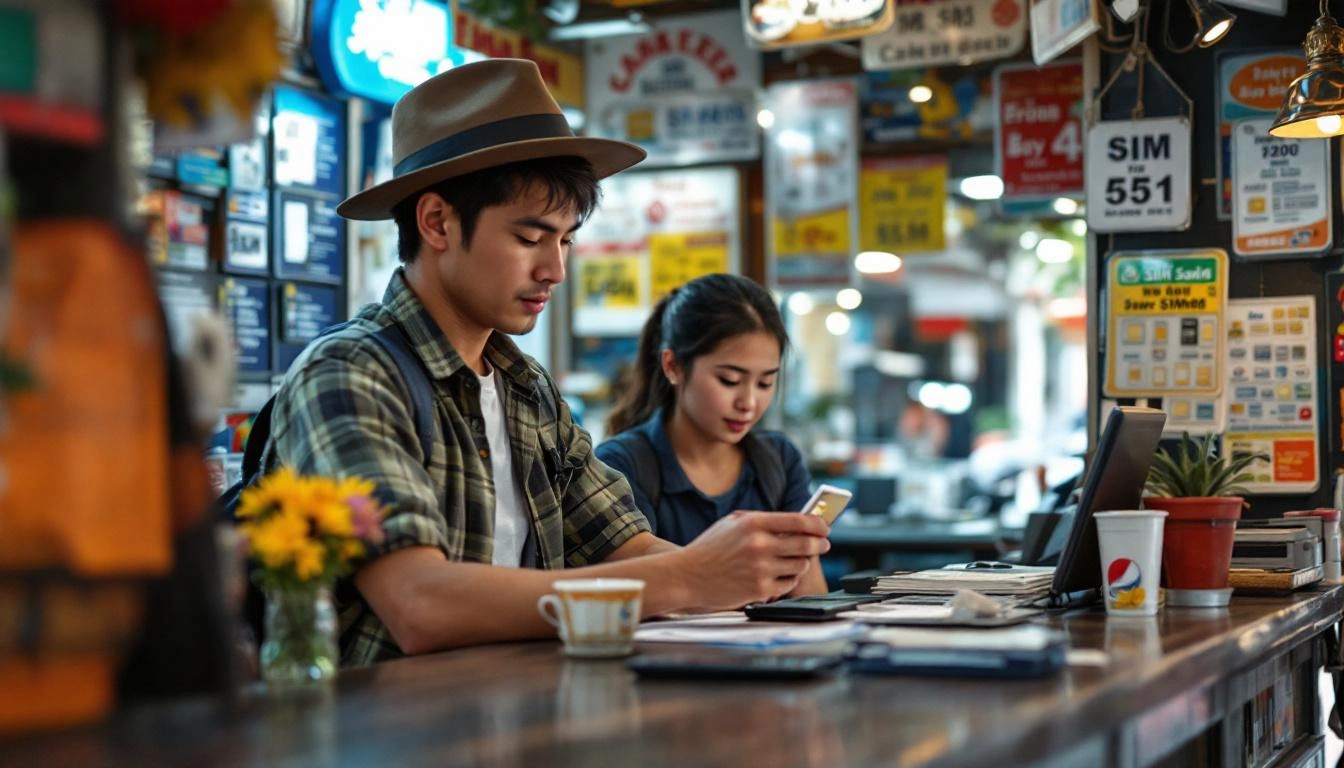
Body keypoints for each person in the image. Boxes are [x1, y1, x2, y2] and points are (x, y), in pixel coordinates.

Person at [260, 60, 830, 666]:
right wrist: (691, 576)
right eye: (530, 239)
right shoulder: (350, 373)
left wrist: (748, 573)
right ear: (436, 222)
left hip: (523, 720)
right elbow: (420, 604)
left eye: (565, 240)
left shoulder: (525, 387)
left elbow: (621, 542)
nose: (554, 270)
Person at [597, 274, 827, 596]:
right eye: (730, 380)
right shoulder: (620, 466)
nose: (748, 403)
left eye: (765, 383)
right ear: (673, 365)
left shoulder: (779, 460)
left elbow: (809, 599)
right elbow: (625, 594)